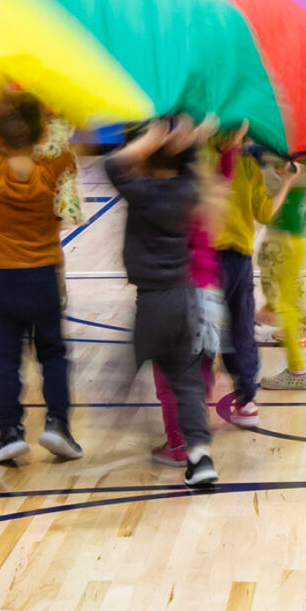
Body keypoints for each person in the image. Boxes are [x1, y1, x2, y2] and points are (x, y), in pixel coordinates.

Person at [104, 114, 219, 491]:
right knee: (187, 383)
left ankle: (112, 410)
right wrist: (193, 137)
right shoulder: (187, 189)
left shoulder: (143, 192)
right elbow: (192, 165)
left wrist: (154, 136)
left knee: (128, 369)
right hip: (185, 300)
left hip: (152, 303)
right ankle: (199, 456)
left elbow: (113, 164)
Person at [0, 92, 81, 467]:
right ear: (42, 133)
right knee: (53, 355)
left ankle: (10, 433)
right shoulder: (52, 165)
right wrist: (55, 102)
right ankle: (58, 425)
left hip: (5, 283)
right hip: (44, 278)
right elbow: (86, 132)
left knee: (5, 361)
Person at [210, 127, 272, 430]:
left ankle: (194, 396)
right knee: (241, 328)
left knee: (206, 327)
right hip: (239, 260)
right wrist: (286, 183)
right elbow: (265, 214)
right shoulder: (248, 166)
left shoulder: (200, 160)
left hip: (207, 259)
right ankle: (247, 399)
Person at [258, 153, 306, 390]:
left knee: (288, 303)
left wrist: (285, 173)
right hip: (294, 231)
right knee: (305, 296)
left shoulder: (305, 158)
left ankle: (296, 370)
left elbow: (301, 176)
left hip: (286, 233)